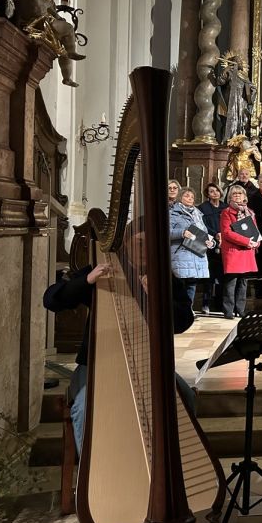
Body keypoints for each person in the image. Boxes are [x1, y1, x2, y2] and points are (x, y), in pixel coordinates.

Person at [43, 255, 195, 455]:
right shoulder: (100, 268)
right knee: (84, 408)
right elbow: (51, 300)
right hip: (96, 363)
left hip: (147, 364)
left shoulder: (163, 277)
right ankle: (91, 471)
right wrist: (87, 280)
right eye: (138, 243)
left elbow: (183, 321)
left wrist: (155, 299)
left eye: (146, 243)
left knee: (185, 397)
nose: (142, 249)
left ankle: (171, 462)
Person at [6, 0, 86, 86]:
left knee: (65, 45)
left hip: (47, 23)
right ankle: (71, 53)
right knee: (68, 31)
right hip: (33, 23)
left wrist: (60, 18)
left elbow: (56, 15)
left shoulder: (46, 0)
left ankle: (67, 76)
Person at [220, 185, 260, 319]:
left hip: (247, 251)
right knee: (231, 282)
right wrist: (246, 241)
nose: (237, 195)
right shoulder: (226, 212)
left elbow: (255, 230)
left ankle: (240, 309)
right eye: (234, 194)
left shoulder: (250, 212)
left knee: (243, 282)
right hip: (233, 250)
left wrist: (257, 242)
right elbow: (227, 233)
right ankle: (228, 310)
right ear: (229, 197)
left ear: (244, 196)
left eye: (240, 193)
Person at [170, 187, 215, 303]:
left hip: (197, 254)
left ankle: (188, 310)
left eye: (192, 197)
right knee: (180, 287)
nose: (190, 198)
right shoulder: (172, 213)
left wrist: (211, 243)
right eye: (186, 196)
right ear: (180, 197)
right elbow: (166, 232)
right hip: (181, 254)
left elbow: (205, 233)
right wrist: (182, 233)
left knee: (192, 285)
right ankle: (179, 310)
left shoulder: (198, 214)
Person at [197, 182, 228, 313]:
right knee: (209, 275)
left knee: (222, 275)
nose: (215, 193)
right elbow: (202, 225)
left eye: (216, 190)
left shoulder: (225, 207)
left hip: (224, 242)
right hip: (209, 242)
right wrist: (215, 234)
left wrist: (223, 235)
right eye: (211, 191)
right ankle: (205, 303)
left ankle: (220, 304)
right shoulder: (202, 208)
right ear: (207, 194)